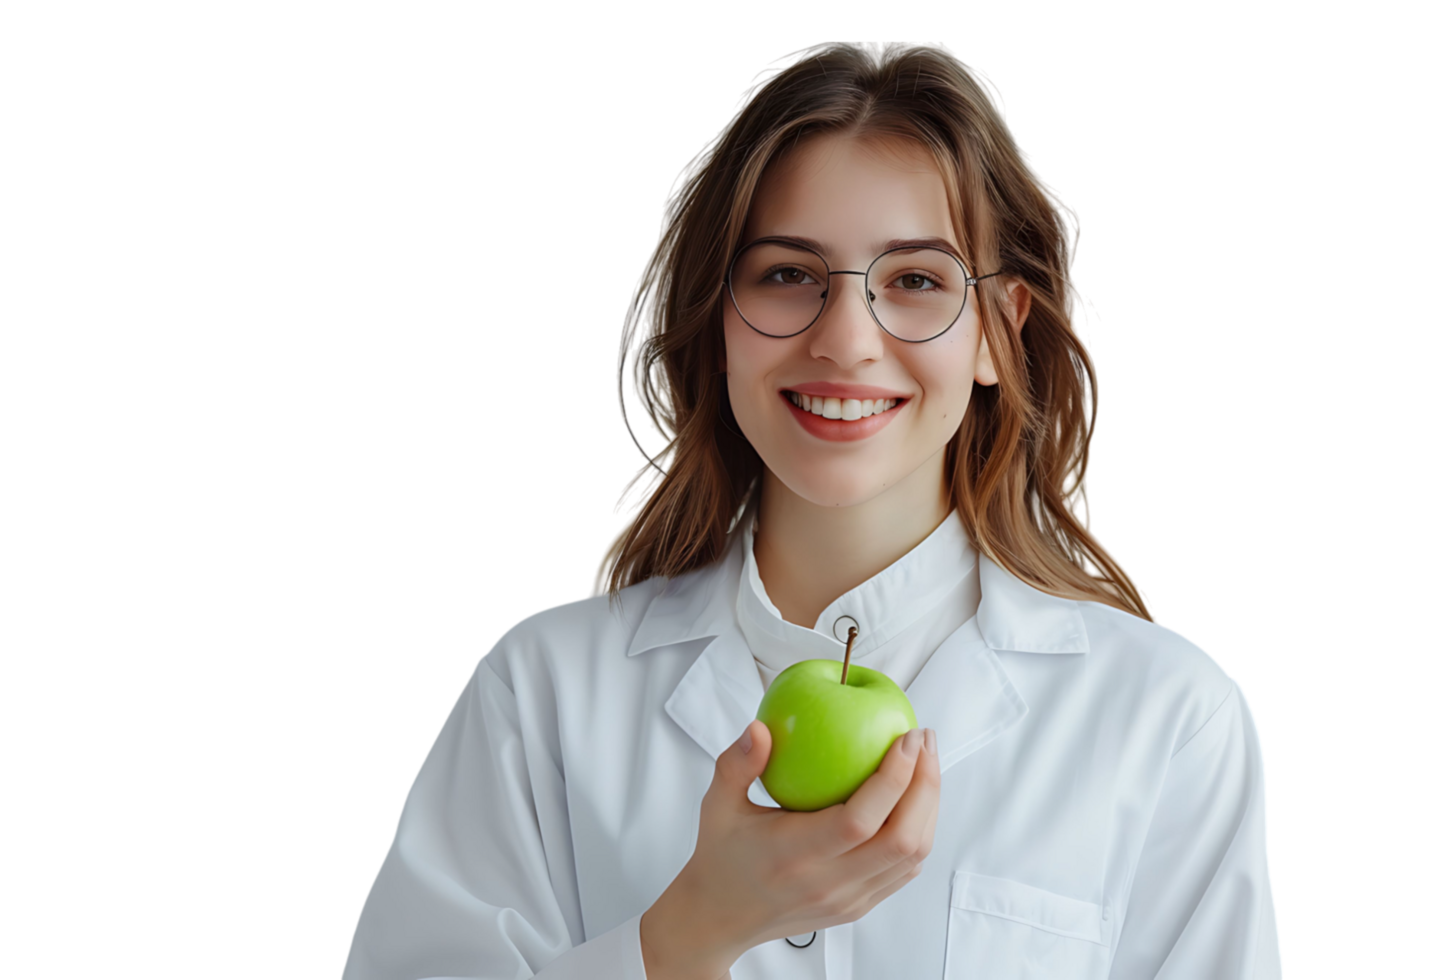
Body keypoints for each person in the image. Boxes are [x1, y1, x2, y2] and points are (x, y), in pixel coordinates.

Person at [339, 41, 1283, 979]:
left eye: (916, 280)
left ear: (999, 332)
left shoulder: (1168, 718)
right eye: (788, 274)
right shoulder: (542, 696)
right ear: (718, 323)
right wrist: (685, 936)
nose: (846, 342)